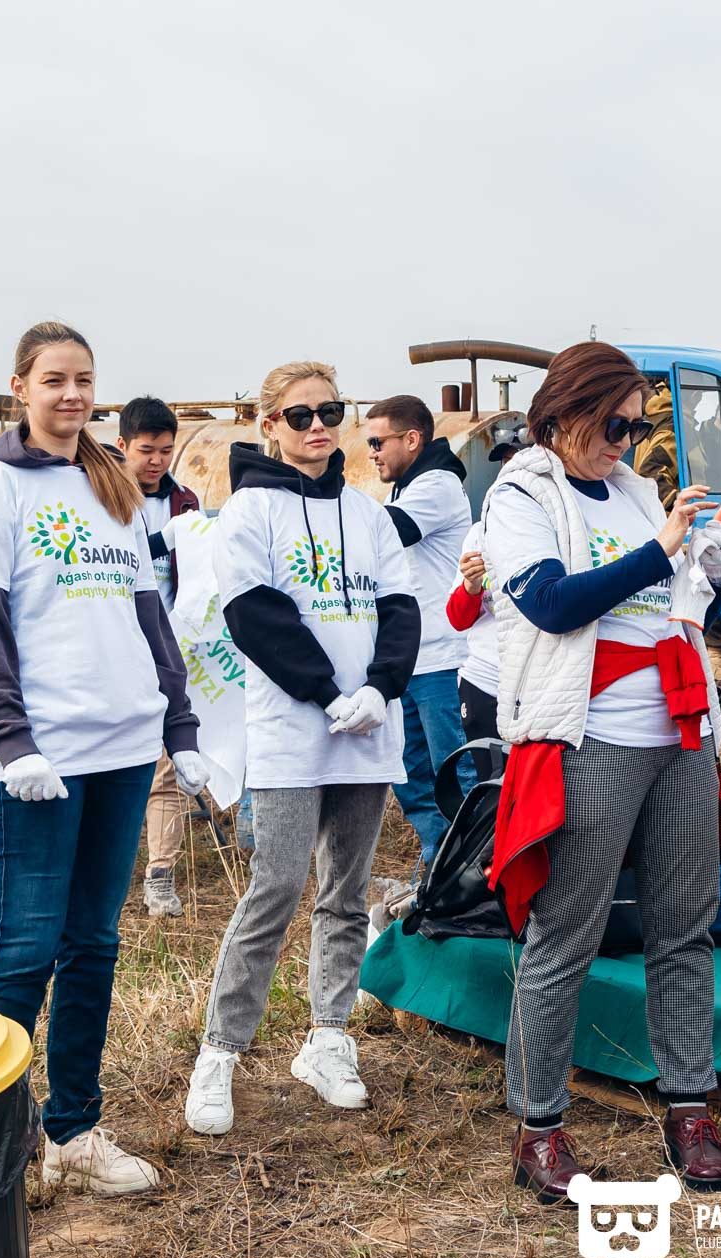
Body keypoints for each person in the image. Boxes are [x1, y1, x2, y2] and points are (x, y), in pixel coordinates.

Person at [0, 321, 209, 1196]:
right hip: (44, 753)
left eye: (84, 380)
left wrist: (180, 725)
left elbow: (148, 616)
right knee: (25, 950)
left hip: (125, 745)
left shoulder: (112, 485)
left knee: (94, 943)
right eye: (54, 379)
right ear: (20, 387)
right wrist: (7, 737)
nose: (72, 394)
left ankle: (72, 1129)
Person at [483, 341, 721, 1204]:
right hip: (590, 733)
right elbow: (553, 604)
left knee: (685, 923)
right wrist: (662, 550)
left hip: (680, 726)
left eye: (634, 426)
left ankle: (689, 1108)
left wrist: (708, 564)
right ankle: (539, 1126)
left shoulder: (634, 492)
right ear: (562, 414)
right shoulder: (521, 494)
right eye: (611, 424)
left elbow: (668, 602)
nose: (624, 442)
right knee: (568, 930)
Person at [184, 361, 420, 1136]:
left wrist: (380, 689)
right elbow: (255, 617)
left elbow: (400, 607)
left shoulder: (369, 513)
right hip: (292, 732)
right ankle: (221, 1052)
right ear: (269, 425)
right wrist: (327, 694)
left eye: (330, 411)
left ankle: (327, 1038)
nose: (318, 425)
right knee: (277, 886)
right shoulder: (249, 510)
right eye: (299, 414)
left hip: (369, 731)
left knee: (346, 893)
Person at [365, 394, 471, 861]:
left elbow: (389, 531)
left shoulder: (438, 485)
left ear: (412, 439)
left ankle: (475, 870)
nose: (372, 453)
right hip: (410, 659)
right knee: (410, 775)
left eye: (377, 442)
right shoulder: (406, 487)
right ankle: (439, 864)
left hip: (442, 658)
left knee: (455, 773)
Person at [115, 396, 203, 917]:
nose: (156, 461)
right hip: (115, 647)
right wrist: (155, 543)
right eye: (146, 450)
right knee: (123, 762)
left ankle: (160, 873)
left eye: (166, 451)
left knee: (167, 766)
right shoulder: (102, 495)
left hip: (168, 646)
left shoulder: (184, 500)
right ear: (123, 445)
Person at [446, 429, 523, 742]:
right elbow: (458, 620)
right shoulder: (481, 532)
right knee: (488, 772)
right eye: (506, 462)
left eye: (519, 460)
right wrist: (471, 586)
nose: (510, 470)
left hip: (537, 689)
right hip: (484, 682)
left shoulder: (565, 531)